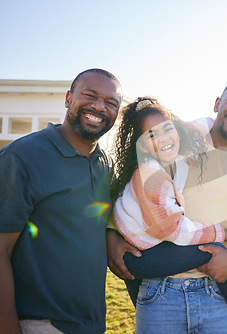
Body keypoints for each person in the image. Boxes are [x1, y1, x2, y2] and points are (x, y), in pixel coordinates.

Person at [107, 81, 227, 333]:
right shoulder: (177, 148)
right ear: (218, 104)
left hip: (218, 295)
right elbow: (131, 195)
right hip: (159, 289)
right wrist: (110, 235)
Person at [0, 69, 122, 334]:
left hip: (92, 324)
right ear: (68, 98)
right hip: (39, 324)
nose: (99, 107)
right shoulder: (21, 157)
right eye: (89, 96)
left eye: (111, 103)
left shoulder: (105, 164)